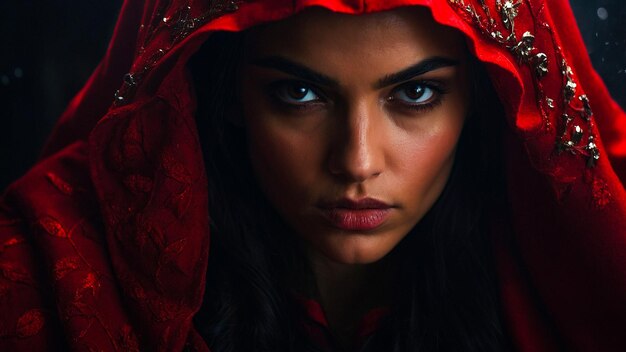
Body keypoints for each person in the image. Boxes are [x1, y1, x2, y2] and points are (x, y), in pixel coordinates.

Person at [0, 0, 624, 351]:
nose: (356, 162)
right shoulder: (47, 265)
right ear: (224, 97)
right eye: (299, 93)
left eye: (415, 93)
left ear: (485, 98)